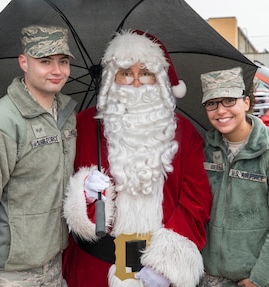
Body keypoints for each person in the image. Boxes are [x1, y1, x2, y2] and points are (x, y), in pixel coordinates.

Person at [62, 29, 213, 287]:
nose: (135, 82)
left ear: (159, 79)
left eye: (145, 73)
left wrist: (167, 266)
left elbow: (197, 201)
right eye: (125, 73)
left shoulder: (184, 132)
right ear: (112, 78)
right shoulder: (83, 127)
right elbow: (59, 188)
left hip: (159, 273)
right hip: (95, 269)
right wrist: (82, 194)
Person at [0, 24, 77, 287]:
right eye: (45, 61)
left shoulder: (66, 116)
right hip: (8, 275)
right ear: (24, 62)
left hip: (53, 268)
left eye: (63, 61)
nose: (57, 70)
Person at [198, 67, 269, 287]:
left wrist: (258, 278)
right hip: (210, 280)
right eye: (212, 103)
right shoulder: (203, 148)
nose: (220, 111)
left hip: (260, 280)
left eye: (229, 100)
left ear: (246, 102)